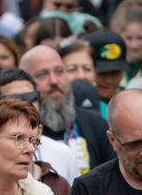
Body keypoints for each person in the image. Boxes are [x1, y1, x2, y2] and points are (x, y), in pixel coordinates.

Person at [17, 43, 115, 175]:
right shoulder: (18, 131)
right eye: (42, 74)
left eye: (59, 72)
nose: (54, 81)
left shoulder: (97, 125)